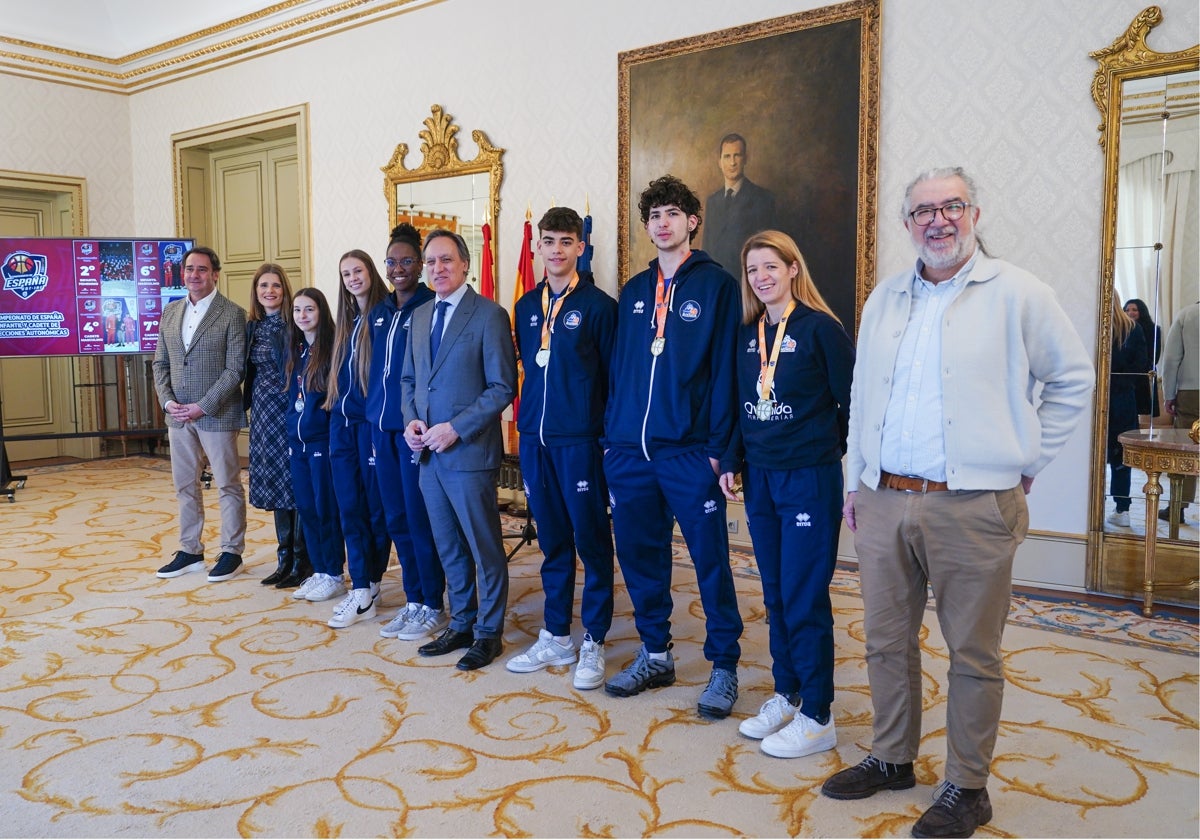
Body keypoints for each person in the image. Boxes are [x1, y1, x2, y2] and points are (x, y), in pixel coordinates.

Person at [819, 166, 1092, 839]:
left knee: (972, 651)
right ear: (906, 224)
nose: (937, 221)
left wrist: (1027, 459)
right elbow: (863, 397)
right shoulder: (885, 299)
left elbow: (1072, 378)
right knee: (884, 641)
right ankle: (892, 758)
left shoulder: (1020, 294)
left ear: (975, 212)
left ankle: (968, 787)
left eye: (952, 207)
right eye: (922, 212)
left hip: (971, 504)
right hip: (885, 500)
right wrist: (857, 477)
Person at [602, 175, 744, 719]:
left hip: (690, 455)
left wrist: (721, 451)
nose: (662, 223)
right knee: (640, 556)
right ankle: (656, 653)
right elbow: (620, 372)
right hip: (630, 455)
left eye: (672, 213)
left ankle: (724, 665)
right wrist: (613, 443)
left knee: (710, 562)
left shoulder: (719, 286)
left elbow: (728, 374)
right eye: (653, 215)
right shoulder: (635, 291)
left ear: (691, 221)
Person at [718, 230, 854, 757]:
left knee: (803, 595)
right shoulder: (748, 333)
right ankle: (788, 693)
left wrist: (823, 449)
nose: (762, 277)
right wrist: (731, 459)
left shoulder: (821, 330)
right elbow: (735, 403)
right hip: (762, 479)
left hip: (808, 480)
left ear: (793, 268)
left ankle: (819, 715)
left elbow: (854, 403)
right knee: (774, 593)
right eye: (753, 270)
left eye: (771, 266)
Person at [506, 207, 617, 689]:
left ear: (580, 248)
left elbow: (613, 382)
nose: (555, 250)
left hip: (580, 442)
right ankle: (556, 634)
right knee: (552, 540)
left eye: (565, 241)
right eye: (548, 241)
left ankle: (593, 638)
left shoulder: (600, 307)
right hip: (535, 439)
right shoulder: (526, 307)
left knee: (591, 541)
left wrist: (608, 443)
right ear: (537, 248)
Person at [401, 229, 517, 671]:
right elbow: (411, 382)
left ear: (465, 264)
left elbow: (501, 386)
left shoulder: (488, 315)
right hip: (427, 455)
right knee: (448, 546)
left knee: (484, 548)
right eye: (430, 262)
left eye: (446, 260)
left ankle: (489, 633)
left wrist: (456, 428)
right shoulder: (419, 316)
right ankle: (462, 621)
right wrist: (412, 420)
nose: (437, 269)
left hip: (467, 453)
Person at [369, 224, 449, 642]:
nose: (398, 269)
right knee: (396, 518)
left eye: (406, 261)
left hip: (411, 433)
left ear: (419, 265)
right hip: (380, 430)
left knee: (420, 520)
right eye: (392, 262)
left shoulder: (428, 308)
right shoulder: (380, 311)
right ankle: (414, 599)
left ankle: (433, 602)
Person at [152, 245, 249, 582]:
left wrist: (202, 406)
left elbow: (235, 370)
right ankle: (190, 550)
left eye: (202, 270)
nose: (195, 275)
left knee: (227, 485)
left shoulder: (233, 314)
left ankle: (231, 552)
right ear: (183, 274)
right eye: (190, 269)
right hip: (177, 416)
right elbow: (160, 364)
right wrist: (168, 403)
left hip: (216, 415)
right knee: (185, 486)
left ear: (215, 274)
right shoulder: (170, 312)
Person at [325, 250, 392, 628]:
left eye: (358, 271)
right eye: (345, 273)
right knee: (348, 506)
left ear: (370, 273)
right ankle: (362, 585)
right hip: (341, 423)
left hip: (371, 426)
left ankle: (370, 583)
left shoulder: (384, 316)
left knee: (376, 510)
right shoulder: (346, 319)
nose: (352, 278)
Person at [245, 263, 310, 588]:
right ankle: (284, 560)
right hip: (262, 416)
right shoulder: (252, 327)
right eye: (263, 287)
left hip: (288, 410)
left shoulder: (293, 324)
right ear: (256, 293)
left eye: (275, 286)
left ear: (284, 290)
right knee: (275, 487)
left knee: (294, 485)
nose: (269, 291)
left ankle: (302, 561)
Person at [286, 288, 348, 603]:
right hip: (298, 444)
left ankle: (334, 573)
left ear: (321, 312)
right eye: (297, 310)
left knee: (326, 509)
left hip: (321, 442)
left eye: (309, 309)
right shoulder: (297, 351)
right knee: (307, 509)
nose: (303, 316)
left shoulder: (332, 350)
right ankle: (320, 570)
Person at [703, 133, 777, 274]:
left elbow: (769, 250)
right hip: (717, 283)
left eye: (737, 155)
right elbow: (707, 249)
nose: (732, 163)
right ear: (719, 162)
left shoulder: (763, 199)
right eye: (727, 156)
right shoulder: (712, 201)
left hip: (747, 282)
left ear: (745, 159)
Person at [1104, 299, 1148, 529]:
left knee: (1092, 454)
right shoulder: (1133, 328)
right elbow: (1141, 365)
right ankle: (1122, 508)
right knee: (1121, 456)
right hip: (1123, 398)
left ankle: (1089, 504)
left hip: (1097, 395)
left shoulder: (1095, 326)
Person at [1159, 300, 1199, 523]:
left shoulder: (1187, 315)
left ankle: (1179, 507)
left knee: (1187, 449)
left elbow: (1171, 359)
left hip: (1191, 391)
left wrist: (1169, 394)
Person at [1123, 298, 1161, 417]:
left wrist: (1138, 368)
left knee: (1141, 410)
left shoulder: (1153, 329)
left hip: (1144, 375)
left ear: (1142, 311)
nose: (1130, 313)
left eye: (1134, 309)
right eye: (1127, 310)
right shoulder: (1121, 329)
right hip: (1126, 375)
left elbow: (1154, 355)